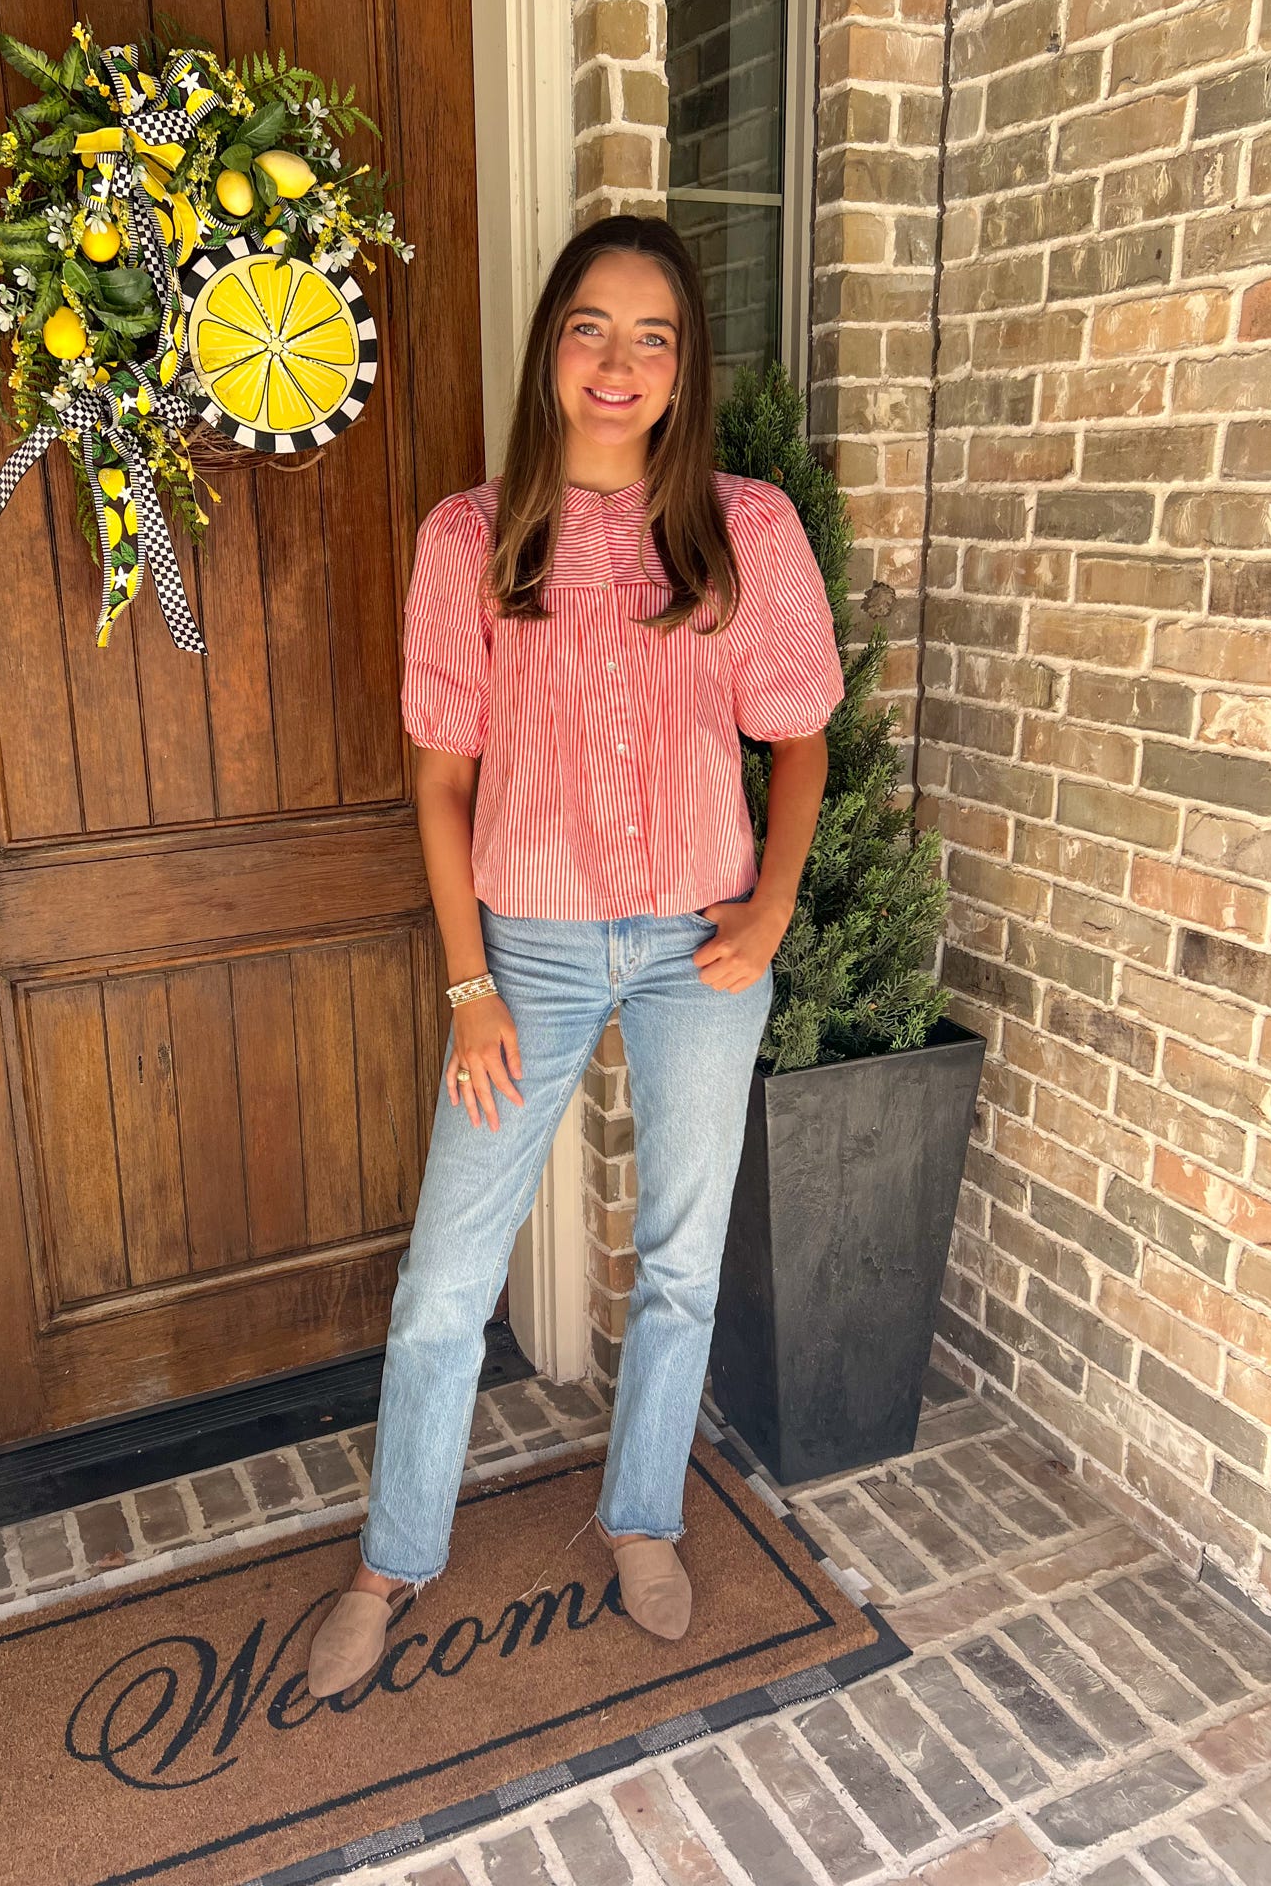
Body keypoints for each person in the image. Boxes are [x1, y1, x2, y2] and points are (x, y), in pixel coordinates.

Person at [307, 212, 845, 1700]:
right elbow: (438, 780)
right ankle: (391, 1557)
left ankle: (644, 1517)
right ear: (554, 349)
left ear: (685, 370)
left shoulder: (746, 532)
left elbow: (798, 741)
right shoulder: (471, 541)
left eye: (653, 336)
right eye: (592, 328)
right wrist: (470, 985)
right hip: (528, 957)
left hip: (699, 948)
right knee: (446, 1276)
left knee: (679, 1262)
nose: (619, 361)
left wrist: (775, 905)